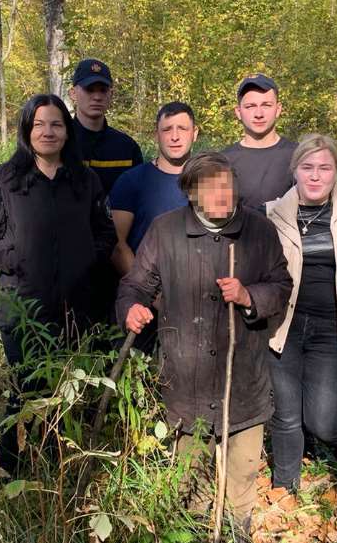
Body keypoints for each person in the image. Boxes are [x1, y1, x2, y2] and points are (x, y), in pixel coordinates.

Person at [118, 152, 293, 535]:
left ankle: (235, 529)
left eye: (227, 186)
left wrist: (250, 296)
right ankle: (193, 527)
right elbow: (135, 284)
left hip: (243, 378)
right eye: (209, 187)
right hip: (185, 380)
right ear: (190, 192)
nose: (221, 195)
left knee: (243, 472)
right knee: (189, 478)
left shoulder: (259, 231)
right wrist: (131, 308)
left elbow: (282, 287)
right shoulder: (165, 231)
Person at [0, 93, 116, 475]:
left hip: (78, 310)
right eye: (40, 124)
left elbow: (106, 232)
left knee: (68, 394)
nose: (48, 132)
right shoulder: (4, 179)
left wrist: (86, 259)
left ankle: (59, 472)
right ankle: (12, 474)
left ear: (67, 131)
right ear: (27, 130)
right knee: (25, 394)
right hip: (22, 312)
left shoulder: (86, 181)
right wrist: (15, 258)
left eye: (56, 124)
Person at [264, 134, 337, 494]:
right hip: (284, 326)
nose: (315, 176)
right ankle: (284, 488)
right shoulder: (273, 214)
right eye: (307, 167)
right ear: (295, 171)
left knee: (323, 423)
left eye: (324, 167)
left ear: (336, 171)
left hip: (333, 330)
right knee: (286, 416)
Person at [108, 102, 197, 351]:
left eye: (182, 128)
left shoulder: (209, 182)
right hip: (142, 306)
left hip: (196, 306)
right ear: (156, 134)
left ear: (195, 133)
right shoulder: (132, 181)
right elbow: (117, 244)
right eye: (167, 129)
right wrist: (154, 296)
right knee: (138, 382)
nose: (175, 136)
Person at [69, 57, 143, 326]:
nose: (97, 96)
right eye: (90, 90)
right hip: (67, 258)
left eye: (103, 90)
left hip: (114, 261)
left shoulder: (126, 148)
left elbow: (139, 204)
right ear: (73, 93)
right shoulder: (59, 142)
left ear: (111, 94)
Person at [222, 73, 297, 211]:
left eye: (266, 105)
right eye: (250, 106)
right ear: (238, 112)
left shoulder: (298, 156)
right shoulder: (223, 161)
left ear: (278, 109)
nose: (259, 114)